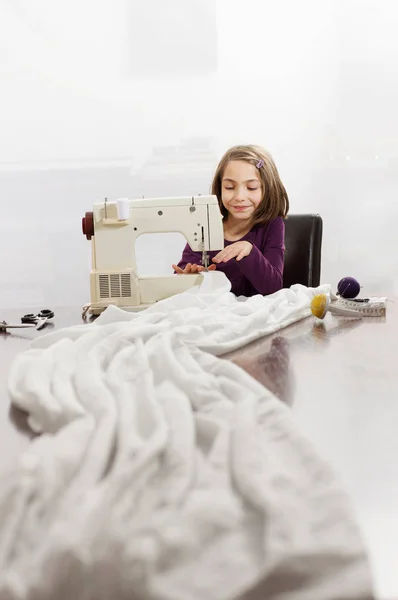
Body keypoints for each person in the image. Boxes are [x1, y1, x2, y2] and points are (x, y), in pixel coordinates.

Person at [172, 144, 289, 297]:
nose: (239, 197)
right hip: (213, 311)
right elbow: (181, 276)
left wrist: (249, 251)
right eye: (229, 187)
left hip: (250, 313)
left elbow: (273, 287)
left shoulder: (272, 226)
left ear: (267, 189)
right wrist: (187, 278)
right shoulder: (204, 226)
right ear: (219, 188)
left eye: (252, 187)